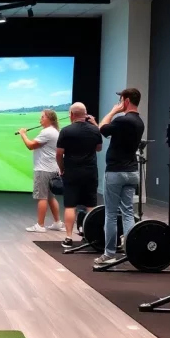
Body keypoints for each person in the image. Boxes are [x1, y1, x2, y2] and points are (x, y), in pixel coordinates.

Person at [93, 88, 145, 267]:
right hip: (132, 172)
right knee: (128, 213)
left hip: (116, 172)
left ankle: (109, 254)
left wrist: (113, 111)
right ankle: (131, 250)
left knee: (111, 214)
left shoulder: (123, 119)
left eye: (121, 100)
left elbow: (101, 128)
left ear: (126, 100)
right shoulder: (139, 122)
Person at [56, 102, 102, 249]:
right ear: (86, 114)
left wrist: (62, 168)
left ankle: (69, 238)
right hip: (90, 172)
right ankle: (91, 237)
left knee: (70, 205)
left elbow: (59, 154)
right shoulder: (95, 130)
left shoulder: (66, 131)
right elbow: (99, 148)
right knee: (90, 205)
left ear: (71, 114)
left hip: (71, 172)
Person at [18, 109, 64, 233]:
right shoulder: (54, 131)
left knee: (42, 197)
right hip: (52, 168)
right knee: (50, 197)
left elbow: (30, 145)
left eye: (42, 117)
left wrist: (23, 133)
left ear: (49, 118)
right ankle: (57, 222)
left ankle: (40, 225)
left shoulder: (47, 132)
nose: (40, 119)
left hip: (43, 169)